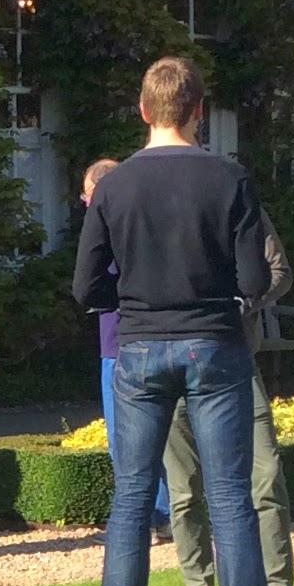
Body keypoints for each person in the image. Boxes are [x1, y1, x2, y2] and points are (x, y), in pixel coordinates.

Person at [72, 55, 286, 586]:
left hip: (139, 344)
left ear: (144, 111)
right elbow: (254, 279)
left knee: (132, 496)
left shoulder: (114, 186)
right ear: (199, 111)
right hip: (214, 342)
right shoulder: (229, 179)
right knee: (230, 495)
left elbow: (86, 287)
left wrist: (131, 299)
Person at [160, 220, 294, 586]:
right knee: (184, 486)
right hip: (171, 361)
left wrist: (244, 302)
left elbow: (279, 271)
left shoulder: (241, 208)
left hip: (237, 360)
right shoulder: (154, 205)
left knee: (267, 473)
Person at [84, 156, 168, 531]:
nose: (85, 202)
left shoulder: (110, 227)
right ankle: (163, 515)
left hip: (120, 343)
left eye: (87, 194)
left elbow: (89, 284)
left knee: (124, 440)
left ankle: (143, 520)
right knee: (157, 436)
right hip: (150, 337)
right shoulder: (148, 222)